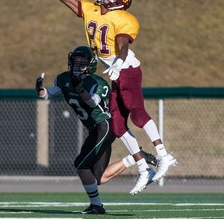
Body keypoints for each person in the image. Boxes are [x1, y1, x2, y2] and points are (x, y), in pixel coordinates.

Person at [24, 0, 177, 195]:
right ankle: (142, 167)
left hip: (127, 70)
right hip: (116, 73)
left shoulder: (123, 19)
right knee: (117, 125)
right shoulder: (92, 10)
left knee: (136, 113)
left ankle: (163, 155)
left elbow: (123, 43)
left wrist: (120, 60)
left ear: (116, 1)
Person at [35, 46, 157, 214]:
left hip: (104, 126)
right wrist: (40, 90)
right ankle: (137, 157)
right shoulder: (64, 78)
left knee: (81, 165)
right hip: (94, 130)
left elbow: (94, 102)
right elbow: (49, 93)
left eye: (82, 64)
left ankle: (97, 206)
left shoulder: (96, 82)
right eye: (76, 63)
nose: (78, 67)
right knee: (98, 177)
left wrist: (80, 89)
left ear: (90, 65)